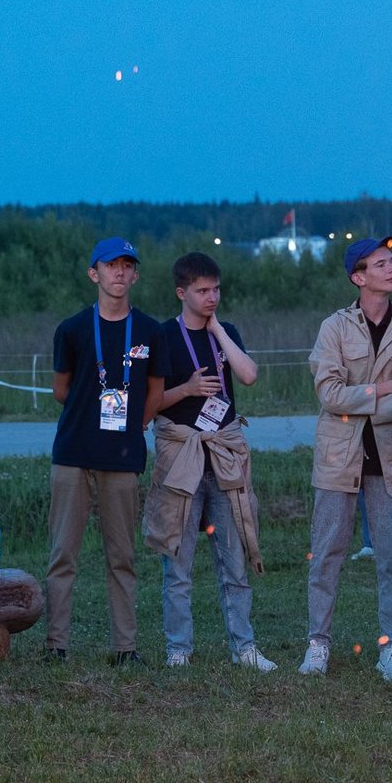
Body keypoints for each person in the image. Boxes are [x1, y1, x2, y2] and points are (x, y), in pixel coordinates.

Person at [301, 236, 392, 681]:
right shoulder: (333, 328)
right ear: (358, 277)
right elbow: (329, 395)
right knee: (328, 553)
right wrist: (388, 388)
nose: (391, 269)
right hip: (339, 458)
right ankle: (318, 643)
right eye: (380, 264)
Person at [143, 252, 274, 671]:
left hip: (224, 452)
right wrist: (187, 388)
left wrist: (216, 328)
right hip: (181, 453)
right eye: (201, 291)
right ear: (182, 292)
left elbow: (249, 375)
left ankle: (245, 646)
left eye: (216, 289)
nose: (211, 297)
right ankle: (178, 648)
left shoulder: (225, 330)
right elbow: (148, 407)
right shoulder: (162, 336)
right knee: (178, 560)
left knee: (234, 556)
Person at [45, 237, 168, 666]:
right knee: (63, 554)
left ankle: (125, 648)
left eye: (126, 265)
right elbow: (61, 390)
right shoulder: (73, 329)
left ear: (135, 274)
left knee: (122, 556)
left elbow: (156, 391)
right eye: (109, 265)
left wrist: (135, 424)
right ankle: (56, 645)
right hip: (74, 454)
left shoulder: (151, 330)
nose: (119, 273)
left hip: (122, 456)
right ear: (93, 273)